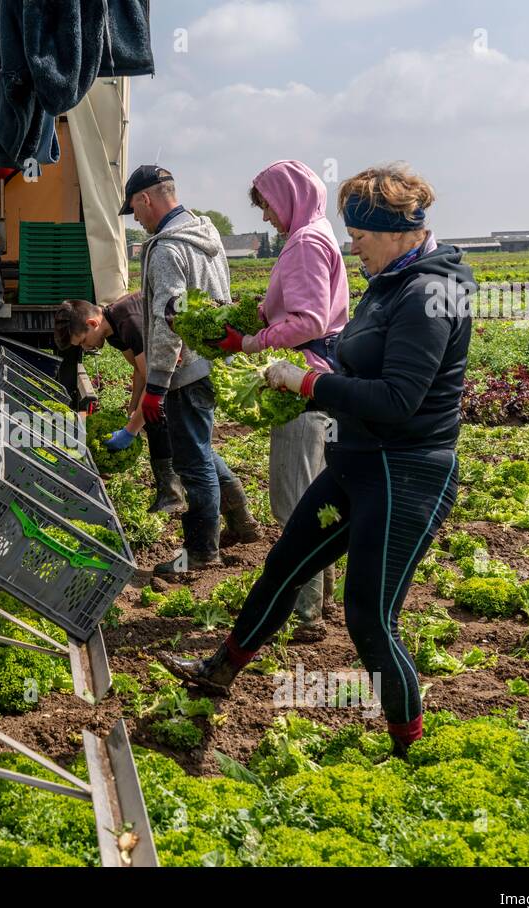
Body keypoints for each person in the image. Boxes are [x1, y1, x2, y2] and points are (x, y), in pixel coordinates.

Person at [162, 163, 474, 758]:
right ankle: (219, 671)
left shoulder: (431, 292)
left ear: (394, 231)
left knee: (369, 619)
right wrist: (328, 374)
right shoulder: (390, 280)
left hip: (405, 474)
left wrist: (310, 383)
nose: (349, 243)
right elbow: (365, 367)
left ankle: (410, 747)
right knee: (283, 566)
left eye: (358, 233)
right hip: (356, 461)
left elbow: (399, 399)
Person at [212, 160, 349, 640]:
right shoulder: (315, 233)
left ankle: (307, 616)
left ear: (288, 196)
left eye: (268, 205)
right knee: (312, 492)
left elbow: (309, 320)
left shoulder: (307, 243)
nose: (267, 217)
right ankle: (323, 599)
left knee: (292, 500)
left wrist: (250, 342)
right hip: (315, 373)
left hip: (302, 376)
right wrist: (260, 315)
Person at [122, 165, 263, 575]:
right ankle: (240, 519)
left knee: (192, 462)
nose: (136, 219)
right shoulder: (205, 233)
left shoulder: (166, 249)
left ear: (147, 198)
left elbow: (170, 321)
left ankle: (201, 551)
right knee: (199, 448)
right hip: (214, 361)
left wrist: (156, 385)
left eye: (134, 208)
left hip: (185, 369)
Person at [53, 293, 185, 513]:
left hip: (187, 365)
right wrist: (133, 407)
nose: (85, 348)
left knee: (164, 423)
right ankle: (171, 492)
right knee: (153, 417)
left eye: (83, 341)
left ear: (92, 323)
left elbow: (154, 381)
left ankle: (173, 496)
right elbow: (139, 368)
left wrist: (130, 431)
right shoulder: (112, 330)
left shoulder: (129, 322)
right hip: (164, 370)